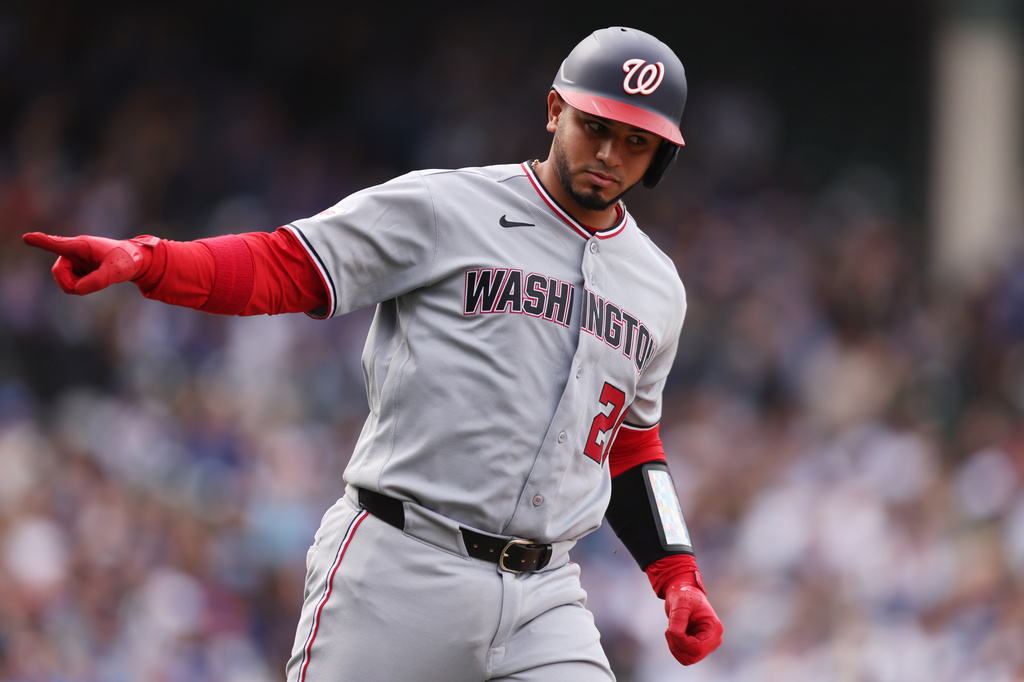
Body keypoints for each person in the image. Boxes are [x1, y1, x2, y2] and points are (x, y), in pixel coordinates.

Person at [23, 26, 723, 681]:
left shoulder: (656, 286)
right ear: (553, 111)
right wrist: (149, 259)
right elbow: (285, 266)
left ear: (660, 154)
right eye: (594, 127)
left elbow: (631, 445)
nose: (608, 155)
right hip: (399, 564)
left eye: (634, 141)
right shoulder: (448, 207)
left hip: (545, 594)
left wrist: (677, 574)